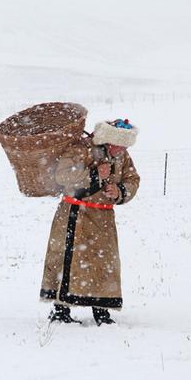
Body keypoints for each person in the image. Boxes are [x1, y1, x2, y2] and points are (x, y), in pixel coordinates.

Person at [40, 118, 140, 325]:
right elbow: (62, 176)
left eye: (124, 146)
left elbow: (132, 179)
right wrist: (94, 174)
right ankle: (61, 310)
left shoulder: (122, 156)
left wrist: (119, 191)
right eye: (118, 145)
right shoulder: (80, 149)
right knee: (68, 262)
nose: (121, 150)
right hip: (74, 215)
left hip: (103, 218)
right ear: (107, 140)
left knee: (104, 263)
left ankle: (101, 310)